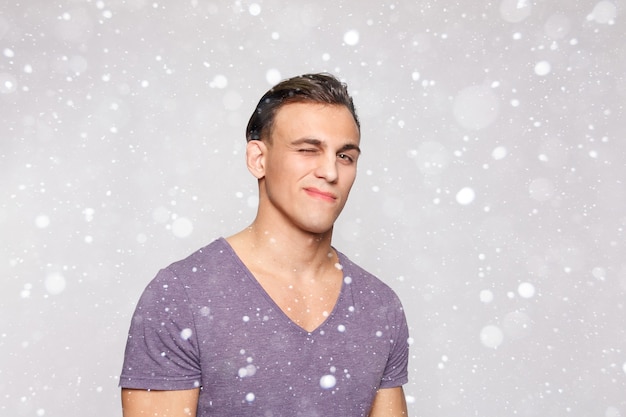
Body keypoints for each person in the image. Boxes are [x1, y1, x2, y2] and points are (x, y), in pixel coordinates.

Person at [119, 73, 410, 416]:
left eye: (345, 156)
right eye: (307, 150)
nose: (330, 171)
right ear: (258, 159)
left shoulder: (379, 306)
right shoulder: (181, 295)